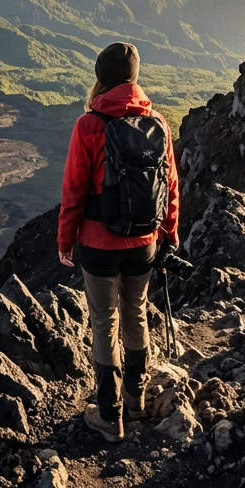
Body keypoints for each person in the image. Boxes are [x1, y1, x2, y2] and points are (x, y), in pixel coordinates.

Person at [57, 42, 180, 442]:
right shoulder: (157, 122)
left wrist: (66, 238)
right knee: (136, 315)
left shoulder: (89, 125)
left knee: (105, 323)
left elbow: (74, 189)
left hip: (98, 243)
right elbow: (171, 187)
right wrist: (170, 233)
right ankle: (136, 401)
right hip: (143, 241)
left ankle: (109, 417)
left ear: (102, 78)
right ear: (134, 77)